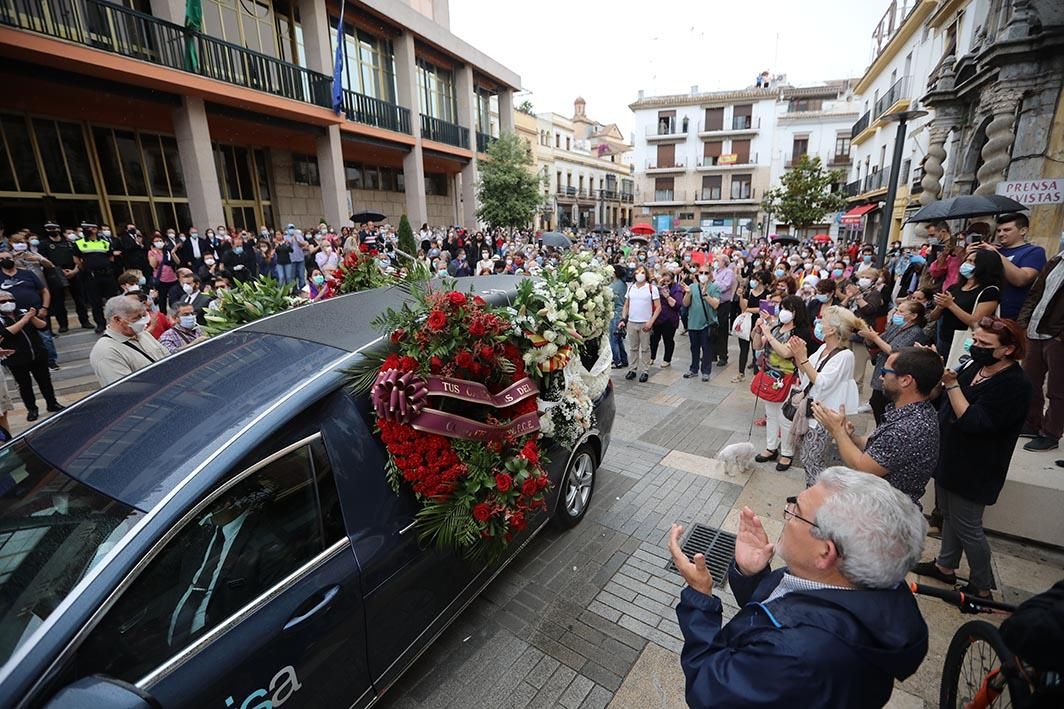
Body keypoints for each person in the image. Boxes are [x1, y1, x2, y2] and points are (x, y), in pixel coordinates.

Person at [670, 467, 928, 709]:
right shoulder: (870, 590)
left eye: (796, 511)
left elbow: (709, 688)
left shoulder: (795, 656)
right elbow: (787, 612)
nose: (787, 512)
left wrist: (700, 598)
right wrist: (751, 574)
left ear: (825, 552)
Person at [913, 317, 1031, 599]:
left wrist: (952, 385)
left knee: (968, 525)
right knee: (949, 516)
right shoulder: (975, 365)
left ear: (1008, 349)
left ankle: (982, 586)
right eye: (975, 341)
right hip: (950, 456)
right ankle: (945, 565)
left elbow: (974, 421)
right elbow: (944, 400)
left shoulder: (1015, 385)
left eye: (984, 344)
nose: (976, 347)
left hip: (977, 466)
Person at [811, 347, 943, 507]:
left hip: (884, 513)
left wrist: (837, 431)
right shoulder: (912, 411)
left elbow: (862, 466)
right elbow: (878, 448)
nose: (880, 377)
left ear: (905, 380)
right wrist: (851, 437)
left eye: (884, 371)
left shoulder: (907, 429)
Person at [789, 306, 862, 482]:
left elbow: (821, 382)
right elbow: (807, 375)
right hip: (812, 409)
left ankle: (818, 496)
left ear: (832, 330)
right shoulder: (823, 348)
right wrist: (799, 356)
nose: (819, 323)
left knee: (813, 459)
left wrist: (803, 358)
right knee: (806, 456)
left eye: (823, 321)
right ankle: (810, 491)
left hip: (825, 415)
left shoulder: (845, 356)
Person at [753, 295, 814, 470]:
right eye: (783, 308)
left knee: (785, 417)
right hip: (770, 376)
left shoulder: (801, 332)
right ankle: (771, 447)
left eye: (789, 309)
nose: (784, 312)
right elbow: (757, 346)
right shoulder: (777, 327)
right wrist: (758, 330)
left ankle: (787, 452)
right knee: (770, 414)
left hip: (789, 379)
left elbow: (786, 352)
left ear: (797, 312)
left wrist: (767, 333)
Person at [1018, 251, 1064, 452]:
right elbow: (1036, 293)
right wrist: (1024, 323)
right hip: (1035, 330)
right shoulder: (1056, 260)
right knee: (1029, 381)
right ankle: (1031, 422)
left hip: (1056, 336)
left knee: (1057, 389)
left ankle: (1051, 433)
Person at [860, 300, 931, 423]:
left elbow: (894, 351)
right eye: (897, 310)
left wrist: (875, 338)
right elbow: (879, 341)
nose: (897, 313)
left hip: (895, 375)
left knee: (884, 408)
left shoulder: (916, 332)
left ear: (914, 316)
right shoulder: (896, 327)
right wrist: (869, 337)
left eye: (901, 311)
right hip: (881, 372)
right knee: (876, 404)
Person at [928, 248, 1002, 362]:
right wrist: (940, 306)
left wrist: (951, 305)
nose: (967, 264)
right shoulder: (954, 288)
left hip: (965, 341)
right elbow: (933, 317)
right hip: (944, 338)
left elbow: (975, 322)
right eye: (967, 260)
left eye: (973, 262)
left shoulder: (989, 291)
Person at [0, 294, 63, 422]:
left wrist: (32, 316)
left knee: (45, 381)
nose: (8, 302)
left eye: (11, 300)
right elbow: (6, 333)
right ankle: (32, 409)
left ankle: (52, 403)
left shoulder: (23, 312)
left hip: (37, 354)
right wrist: (25, 319)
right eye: (3, 301)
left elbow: (43, 326)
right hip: (16, 358)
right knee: (24, 385)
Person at [974, 213, 1046, 320]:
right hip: (983, 311)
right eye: (998, 231)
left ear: (1023, 231)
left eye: (1007, 230)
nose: (1001, 234)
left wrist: (996, 254)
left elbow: (1021, 280)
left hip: (1012, 316)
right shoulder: (994, 249)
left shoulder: (1034, 251)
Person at [89, 295, 170, 387]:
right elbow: (126, 388)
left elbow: (168, 358)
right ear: (117, 319)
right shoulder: (106, 351)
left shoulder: (142, 334)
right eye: (136, 318)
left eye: (143, 316)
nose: (144, 321)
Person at [73, 223, 117, 333]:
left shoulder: (105, 243)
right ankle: (100, 324)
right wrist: (87, 268)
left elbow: (111, 258)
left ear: (96, 229)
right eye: (87, 228)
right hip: (91, 276)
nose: (90, 230)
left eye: (92, 228)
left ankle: (114, 322)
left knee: (111, 300)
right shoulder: (79, 243)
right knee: (95, 302)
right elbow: (76, 260)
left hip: (106, 275)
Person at [681, 264, 720, 382]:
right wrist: (688, 293)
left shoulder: (714, 287)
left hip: (707, 323)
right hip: (693, 323)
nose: (703, 275)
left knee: (706, 348)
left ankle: (706, 371)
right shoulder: (692, 287)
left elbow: (716, 304)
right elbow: (685, 304)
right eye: (701, 273)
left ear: (710, 274)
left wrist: (705, 295)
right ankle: (693, 369)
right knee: (694, 348)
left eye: (706, 273)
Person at [622, 265, 660, 382]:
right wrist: (623, 319)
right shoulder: (631, 288)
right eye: (637, 272)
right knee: (633, 348)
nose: (640, 274)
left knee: (645, 348)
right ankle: (632, 369)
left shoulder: (651, 288)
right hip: (632, 322)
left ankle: (645, 370)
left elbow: (658, 307)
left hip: (645, 322)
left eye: (642, 272)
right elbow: (626, 305)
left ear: (646, 274)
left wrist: (651, 322)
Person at [732, 270, 771, 383]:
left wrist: (750, 309)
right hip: (746, 322)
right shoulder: (748, 291)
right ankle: (741, 373)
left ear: (762, 281)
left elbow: (765, 309)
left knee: (757, 349)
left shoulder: (767, 293)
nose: (753, 281)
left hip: (758, 323)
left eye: (756, 279)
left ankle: (757, 373)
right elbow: (743, 307)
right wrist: (740, 296)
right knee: (743, 348)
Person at [650, 270, 682, 369]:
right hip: (658, 317)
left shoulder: (677, 289)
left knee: (668, 340)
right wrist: (658, 287)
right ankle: (652, 356)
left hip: (670, 319)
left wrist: (667, 295)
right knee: (654, 339)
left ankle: (667, 359)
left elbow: (676, 305)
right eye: (664, 281)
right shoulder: (657, 288)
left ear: (672, 280)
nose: (666, 283)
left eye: (668, 281)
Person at [713, 254, 736, 368]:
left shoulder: (729, 272)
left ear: (724, 262)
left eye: (718, 260)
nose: (715, 262)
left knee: (722, 329)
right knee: (712, 328)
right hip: (713, 303)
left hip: (723, 304)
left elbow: (724, 286)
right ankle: (713, 353)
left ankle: (723, 356)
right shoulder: (715, 271)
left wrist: (713, 283)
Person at [147, 231, 181, 308]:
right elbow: (153, 265)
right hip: (161, 279)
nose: (159, 242)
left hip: (173, 277)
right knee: (162, 299)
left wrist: (173, 253)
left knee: (175, 296)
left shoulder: (168, 251)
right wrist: (155, 253)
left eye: (160, 241)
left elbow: (178, 262)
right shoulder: (151, 252)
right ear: (152, 243)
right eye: (156, 241)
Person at [609, 265, 628, 369]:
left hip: (616, 313)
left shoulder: (613, 286)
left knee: (613, 339)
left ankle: (617, 361)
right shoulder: (623, 284)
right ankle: (624, 359)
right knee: (618, 338)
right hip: (622, 313)